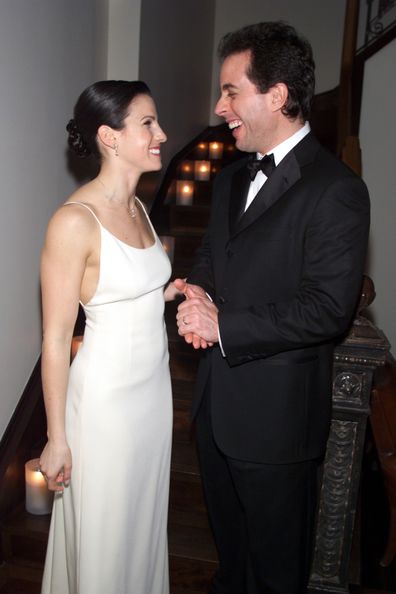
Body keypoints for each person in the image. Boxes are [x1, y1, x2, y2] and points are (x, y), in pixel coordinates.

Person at [175, 22, 370, 594]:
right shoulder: (232, 175)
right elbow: (213, 253)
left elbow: (328, 308)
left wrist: (223, 325)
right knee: (231, 560)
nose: (219, 105)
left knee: (276, 572)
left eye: (232, 91)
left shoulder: (337, 188)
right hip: (214, 407)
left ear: (278, 95)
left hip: (277, 425)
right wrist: (197, 294)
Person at [39, 80, 178, 594]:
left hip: (153, 399)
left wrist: (164, 292)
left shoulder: (139, 207)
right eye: (148, 123)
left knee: (140, 526)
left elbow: (118, 288)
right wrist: (57, 439)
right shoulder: (74, 222)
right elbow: (55, 340)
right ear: (109, 137)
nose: (162, 133)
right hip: (106, 409)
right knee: (107, 534)